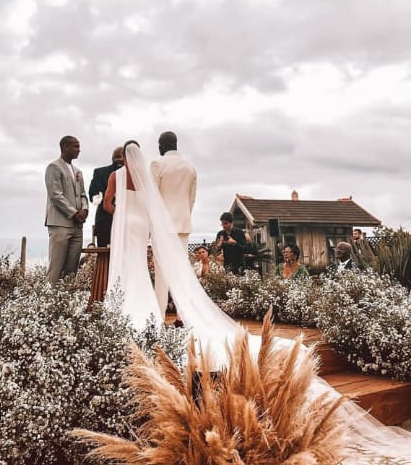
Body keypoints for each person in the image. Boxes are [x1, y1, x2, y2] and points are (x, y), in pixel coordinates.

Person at [103, 142, 411, 462]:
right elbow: (172, 199)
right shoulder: (170, 170)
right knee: (155, 272)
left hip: (128, 225)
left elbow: (110, 204)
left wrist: (121, 213)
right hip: (166, 223)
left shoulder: (127, 174)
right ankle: (158, 311)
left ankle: (136, 312)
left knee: (134, 271)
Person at [104, 140, 163, 328]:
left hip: (125, 224)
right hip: (142, 224)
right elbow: (152, 205)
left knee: (123, 262)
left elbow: (106, 203)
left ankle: (121, 306)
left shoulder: (116, 176)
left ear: (124, 156)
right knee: (139, 264)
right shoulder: (146, 178)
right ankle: (146, 305)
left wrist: (120, 214)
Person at [150, 131, 197, 317]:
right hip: (183, 224)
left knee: (162, 273)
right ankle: (181, 316)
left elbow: (152, 198)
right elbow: (191, 199)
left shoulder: (157, 164)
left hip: (162, 226)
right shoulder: (190, 167)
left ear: (162, 145)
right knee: (181, 272)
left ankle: (159, 316)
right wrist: (184, 217)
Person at [45, 135, 88, 284]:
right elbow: (56, 195)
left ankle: (67, 302)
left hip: (77, 226)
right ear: (65, 148)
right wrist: (74, 213)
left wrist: (85, 209)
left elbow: (83, 194)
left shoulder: (77, 171)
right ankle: (48, 301)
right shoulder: (54, 167)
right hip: (60, 224)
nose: (79, 150)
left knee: (72, 269)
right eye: (76, 146)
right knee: (56, 268)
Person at [88, 147, 124, 247]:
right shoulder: (134, 174)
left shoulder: (100, 172)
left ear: (112, 158)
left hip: (104, 220)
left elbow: (93, 195)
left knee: (103, 257)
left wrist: (104, 200)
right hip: (123, 220)